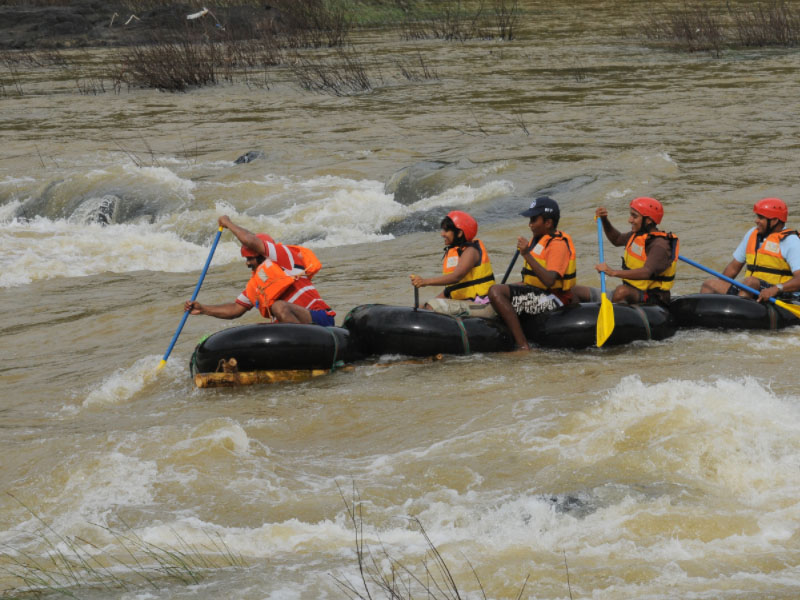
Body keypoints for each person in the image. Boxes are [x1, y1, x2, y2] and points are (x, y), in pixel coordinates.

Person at [184, 215, 336, 326]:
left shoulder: (285, 258)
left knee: (278, 306)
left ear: (264, 255)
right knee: (258, 327)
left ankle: (306, 345)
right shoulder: (256, 284)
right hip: (292, 326)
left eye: (250, 258)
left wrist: (228, 224)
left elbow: (250, 240)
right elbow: (235, 309)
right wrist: (203, 309)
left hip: (318, 318)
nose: (248, 263)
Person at [487, 196, 577, 351]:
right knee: (501, 289)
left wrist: (526, 253)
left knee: (495, 291)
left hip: (553, 299)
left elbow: (549, 280)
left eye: (534, 219)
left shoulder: (557, 245)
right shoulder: (539, 239)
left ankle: (523, 346)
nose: (530, 224)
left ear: (548, 223)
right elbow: (532, 280)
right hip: (540, 293)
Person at [578, 197, 679, 306]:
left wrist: (613, 272)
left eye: (634, 216)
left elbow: (647, 272)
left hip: (652, 299)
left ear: (648, 220)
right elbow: (616, 239)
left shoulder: (660, 245)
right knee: (576, 291)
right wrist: (604, 220)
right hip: (632, 293)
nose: (630, 220)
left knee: (621, 291)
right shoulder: (637, 235)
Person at [699, 197, 800, 302]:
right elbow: (733, 268)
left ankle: (739, 315)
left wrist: (776, 289)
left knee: (750, 282)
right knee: (709, 285)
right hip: (751, 289)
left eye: (761, 217)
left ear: (774, 220)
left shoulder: (791, 241)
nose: (756, 220)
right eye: (757, 217)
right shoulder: (752, 234)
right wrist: (720, 285)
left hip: (780, 294)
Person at [409, 210, 496, 318]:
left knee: (432, 307)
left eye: (446, 230)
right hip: (468, 304)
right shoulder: (457, 252)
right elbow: (450, 290)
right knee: (422, 307)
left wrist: (425, 282)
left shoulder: (471, 251)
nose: (442, 234)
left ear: (459, 233)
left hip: (482, 306)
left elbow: (456, 277)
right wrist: (426, 305)